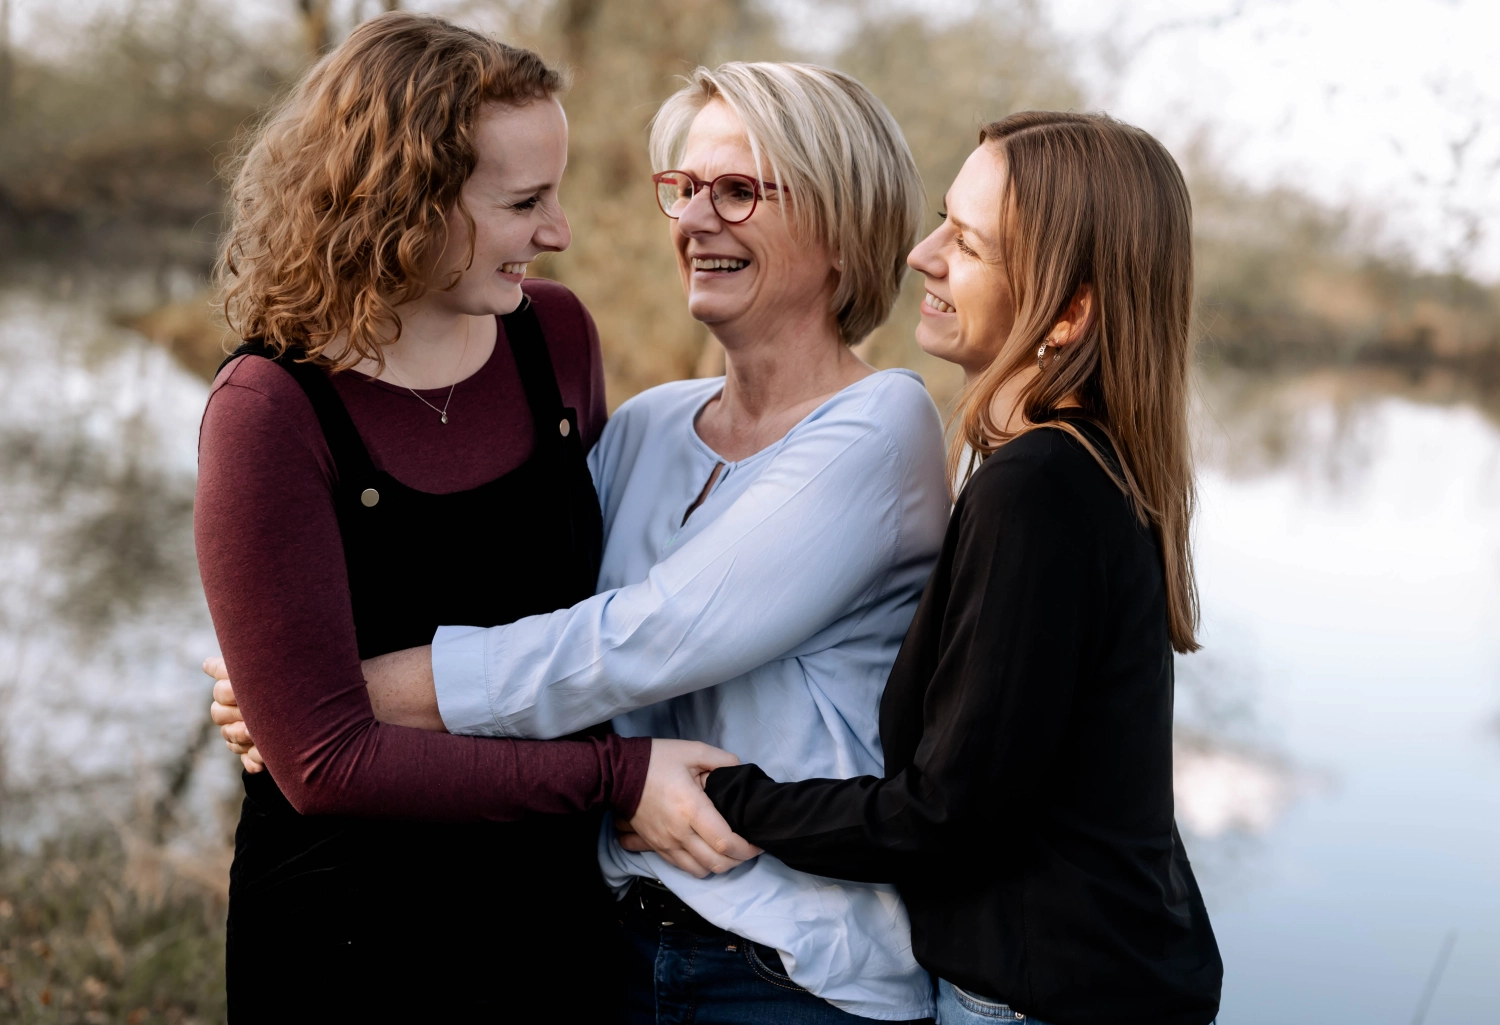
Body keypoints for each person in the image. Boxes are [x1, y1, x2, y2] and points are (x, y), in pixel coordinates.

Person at [212, 63, 950, 1023]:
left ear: (847, 222)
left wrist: (337, 698)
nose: (693, 220)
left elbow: (646, 635)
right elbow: (538, 612)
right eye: (682, 189)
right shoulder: (647, 426)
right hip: (610, 934)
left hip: (791, 961)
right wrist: (285, 674)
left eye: (736, 190)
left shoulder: (882, 424)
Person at [195, 14, 745, 1021]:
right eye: (525, 201)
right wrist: (616, 774)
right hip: (352, 932)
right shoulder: (270, 408)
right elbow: (324, 762)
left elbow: (607, 609)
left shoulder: (557, 338)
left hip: (554, 912)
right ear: (403, 202)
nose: (560, 231)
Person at [702, 111, 1224, 1025]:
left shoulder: (1041, 490)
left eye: (967, 243)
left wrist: (723, 797)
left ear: (1070, 313)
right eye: (942, 219)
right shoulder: (1086, 468)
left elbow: (944, 815)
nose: (921, 253)